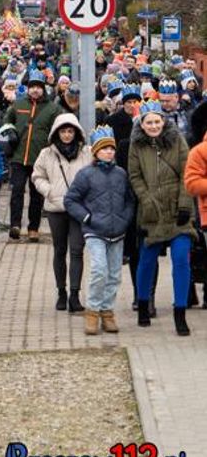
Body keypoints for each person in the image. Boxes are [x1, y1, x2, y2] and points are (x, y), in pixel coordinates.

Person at [129, 102, 195, 335]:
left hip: (178, 210)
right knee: (146, 260)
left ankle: (180, 312)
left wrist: (185, 205)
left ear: (163, 121)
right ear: (142, 124)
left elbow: (188, 173)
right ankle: (144, 305)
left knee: (181, 260)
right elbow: (135, 176)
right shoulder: (136, 145)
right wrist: (145, 199)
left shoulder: (177, 141)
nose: (154, 125)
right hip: (151, 212)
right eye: (149, 122)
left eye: (157, 121)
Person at [65, 127, 136, 336]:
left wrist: (125, 218)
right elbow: (71, 199)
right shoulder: (86, 174)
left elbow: (129, 200)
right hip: (95, 230)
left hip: (117, 231)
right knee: (99, 270)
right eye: (104, 149)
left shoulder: (121, 174)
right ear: (95, 151)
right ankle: (93, 311)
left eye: (111, 149)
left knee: (114, 274)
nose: (109, 152)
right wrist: (87, 217)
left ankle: (107, 311)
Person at [31, 113, 90, 313]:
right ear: (57, 133)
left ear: (76, 132)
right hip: (56, 208)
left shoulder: (86, 153)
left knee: (77, 250)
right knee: (59, 250)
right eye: (63, 131)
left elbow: (92, 176)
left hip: (79, 209)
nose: (66, 135)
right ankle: (61, 291)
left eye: (70, 131)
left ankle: (75, 293)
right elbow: (37, 176)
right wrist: (50, 191)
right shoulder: (46, 154)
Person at [2, 70, 61, 242]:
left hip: (39, 159)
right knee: (17, 191)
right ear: (27, 88)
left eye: (38, 87)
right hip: (19, 156)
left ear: (44, 89)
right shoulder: (18, 104)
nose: (35, 90)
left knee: (37, 195)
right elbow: (6, 119)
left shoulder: (52, 108)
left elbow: (57, 130)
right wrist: (10, 131)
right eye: (32, 86)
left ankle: (33, 228)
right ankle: (15, 225)